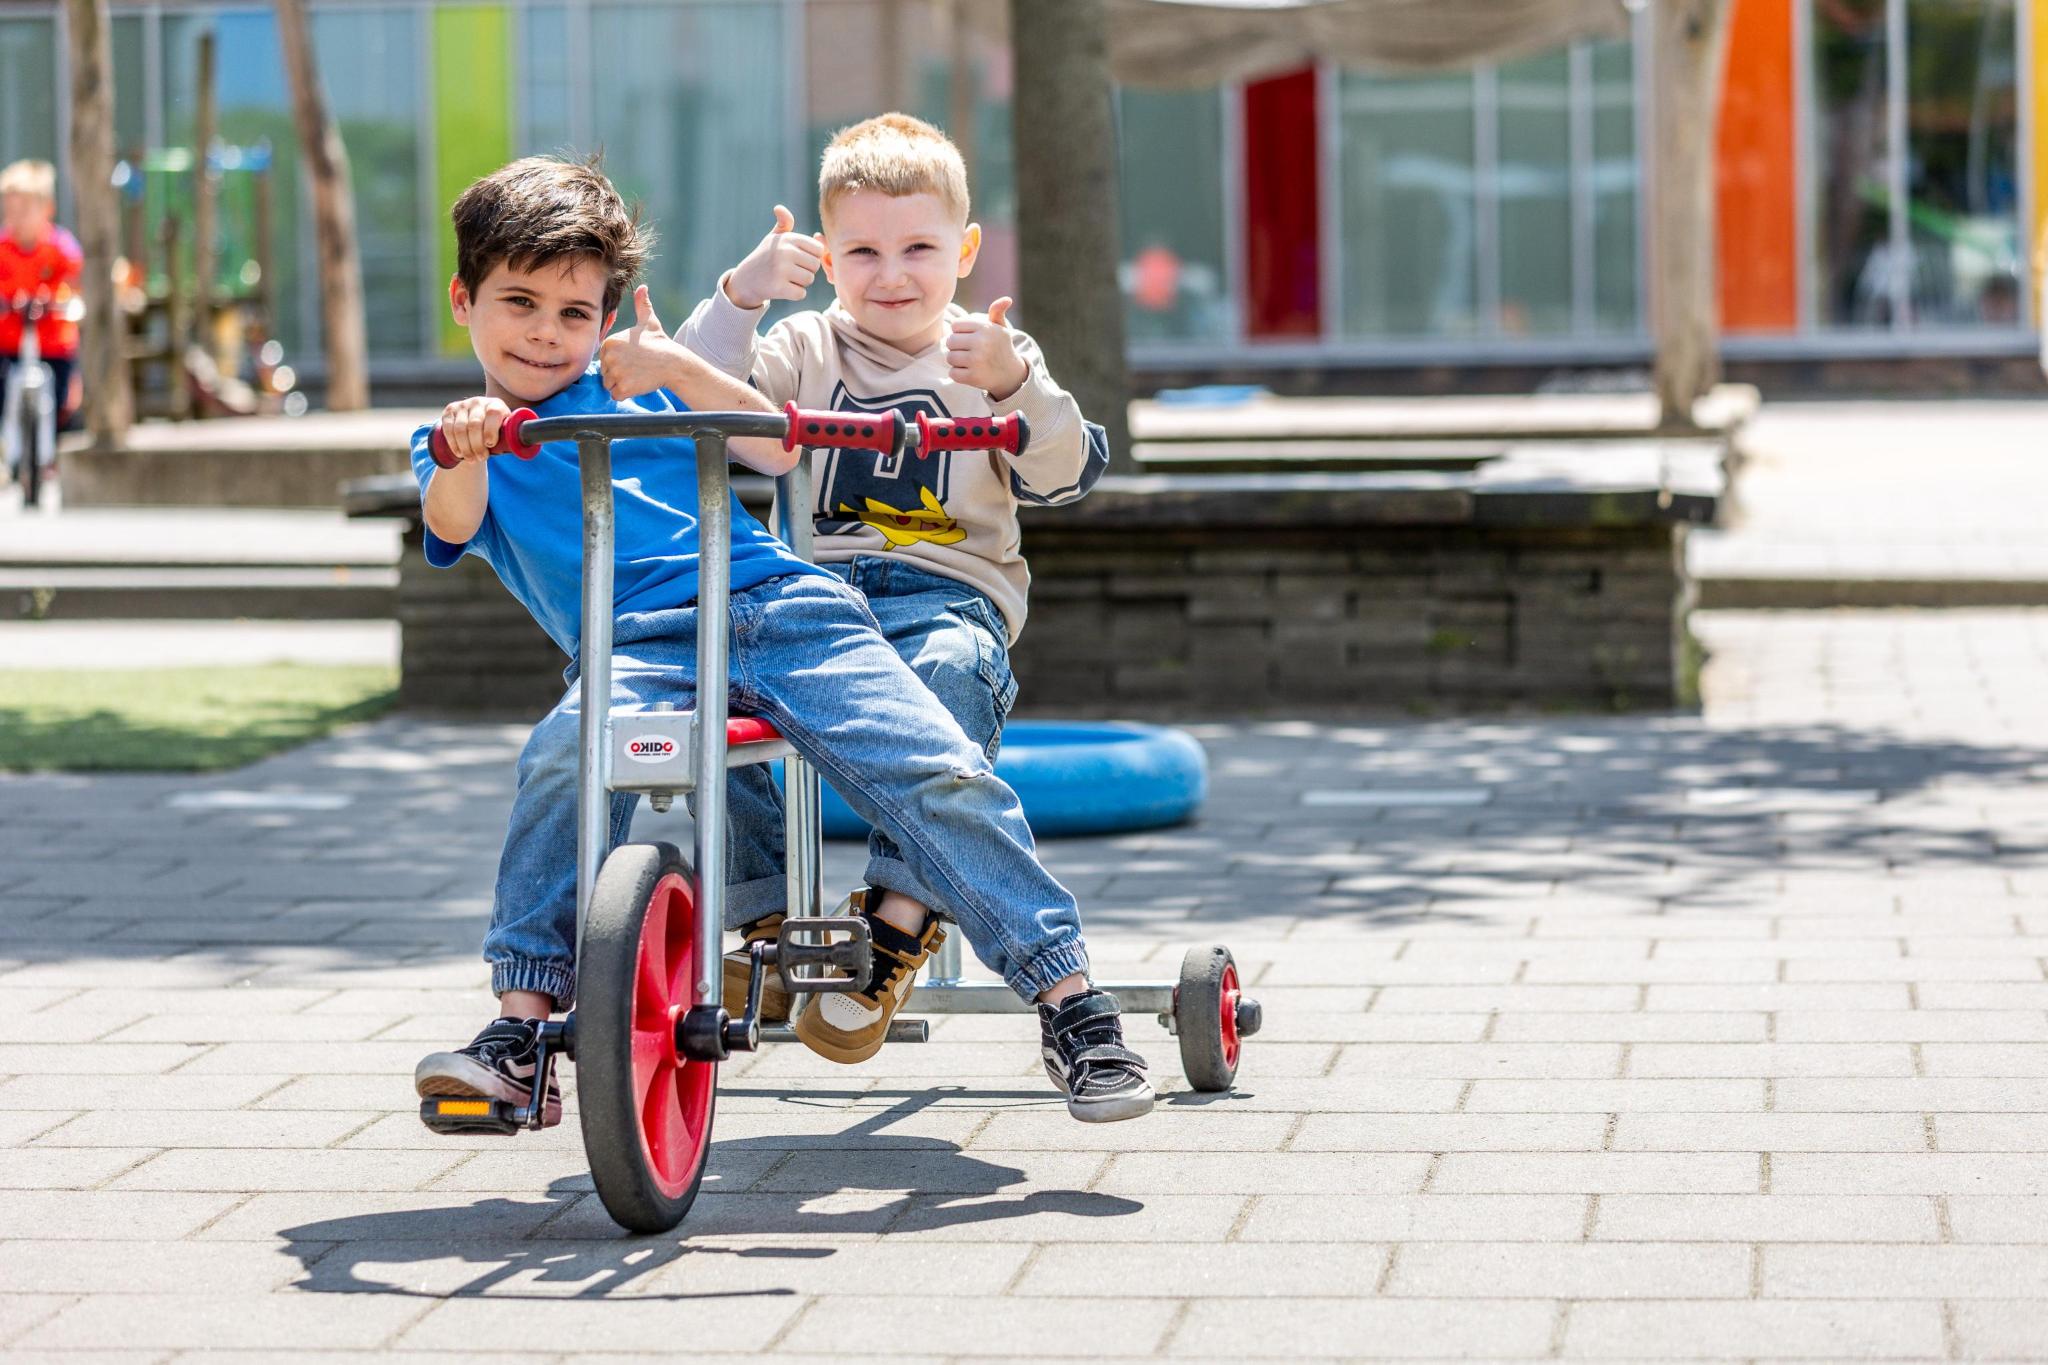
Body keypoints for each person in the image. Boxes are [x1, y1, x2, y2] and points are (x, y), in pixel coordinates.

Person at [408, 155, 1152, 1127]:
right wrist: (467, 447)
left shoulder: (640, 378)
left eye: (572, 312)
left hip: (784, 608)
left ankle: (1069, 1002)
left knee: (937, 766)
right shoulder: (464, 436)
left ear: (604, 315)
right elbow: (451, 522)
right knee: (562, 753)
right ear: (463, 302)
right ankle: (520, 1032)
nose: (546, 334)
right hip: (642, 650)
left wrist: (675, 367)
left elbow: (779, 445)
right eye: (519, 305)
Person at [675, 113, 1109, 1066]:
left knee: (949, 674)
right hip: (815, 605)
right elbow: (697, 405)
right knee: (714, 684)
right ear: (826, 257)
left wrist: (1014, 389)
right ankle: (766, 928)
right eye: (863, 251)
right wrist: (740, 298)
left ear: (965, 249)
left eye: (919, 247)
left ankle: (891, 925)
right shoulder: (804, 348)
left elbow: (1070, 471)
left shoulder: (989, 352)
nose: (893, 275)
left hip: (945, 595)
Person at [0, 159, 82, 479]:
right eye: (10, 212)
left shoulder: (60, 247)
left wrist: (61, 300)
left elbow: (74, 282)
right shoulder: (3, 247)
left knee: (62, 395)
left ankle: (51, 449)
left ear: (46, 209)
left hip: (52, 339)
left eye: (23, 212)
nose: (15, 220)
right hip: (9, 337)